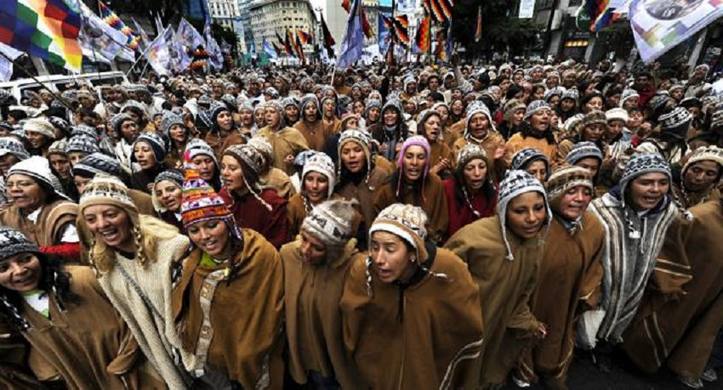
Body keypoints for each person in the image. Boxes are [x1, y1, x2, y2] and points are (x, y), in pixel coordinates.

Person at [0, 227, 164, 389]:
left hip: (140, 377)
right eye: (4, 268)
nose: (20, 270)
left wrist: (125, 360)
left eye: (25, 259)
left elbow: (140, 312)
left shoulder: (83, 279)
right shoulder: (13, 310)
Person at [340, 203, 484, 388]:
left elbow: (466, 327)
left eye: (390, 249)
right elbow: (354, 324)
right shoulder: (364, 271)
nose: (379, 259)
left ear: (413, 251)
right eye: (374, 247)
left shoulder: (448, 270)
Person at [171, 165, 284, 388]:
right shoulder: (191, 261)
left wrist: (248, 352)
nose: (205, 237)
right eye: (194, 230)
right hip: (212, 364)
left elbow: (272, 311)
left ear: (229, 222)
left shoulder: (260, 255)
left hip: (253, 359)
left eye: (212, 225)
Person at [78, 176, 191, 389]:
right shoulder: (103, 265)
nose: (102, 224)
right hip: (164, 360)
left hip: (199, 354)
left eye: (110, 214)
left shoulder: (172, 248)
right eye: (91, 219)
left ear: (128, 214)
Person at [445, 170, 550, 388]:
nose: (532, 218)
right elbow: (440, 282)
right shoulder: (473, 239)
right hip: (462, 331)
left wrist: (528, 323)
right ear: (503, 211)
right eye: (520, 210)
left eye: (538, 208)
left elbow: (522, 294)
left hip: (496, 333)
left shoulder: (535, 243)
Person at [587, 153, 682, 371]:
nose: (655, 189)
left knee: (624, 318)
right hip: (601, 285)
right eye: (646, 182)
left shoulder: (669, 213)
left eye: (662, 183)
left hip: (639, 286)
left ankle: (608, 347)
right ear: (629, 184)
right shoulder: (599, 210)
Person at [516, 166, 605, 389]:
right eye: (571, 191)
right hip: (534, 300)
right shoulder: (535, 224)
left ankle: (551, 369)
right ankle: (522, 370)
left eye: (586, 193)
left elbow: (596, 263)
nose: (580, 199)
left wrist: (587, 293)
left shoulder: (593, 226)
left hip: (568, 300)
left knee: (558, 336)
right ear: (554, 194)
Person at [621, 198, 721, 389]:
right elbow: (668, 247)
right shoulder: (701, 216)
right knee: (664, 324)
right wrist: (671, 281)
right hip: (681, 288)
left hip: (709, 290)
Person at [281, 200, 362, 388]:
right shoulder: (287, 255)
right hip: (297, 363)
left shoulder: (352, 268)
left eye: (317, 248)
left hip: (334, 369)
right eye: (304, 238)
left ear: (333, 251)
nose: (305, 250)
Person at [0, 156, 79, 260]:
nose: (15, 189)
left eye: (24, 184)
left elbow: (76, 249)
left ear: (44, 188)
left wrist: (33, 252)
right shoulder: (6, 215)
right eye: (10, 185)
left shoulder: (63, 212)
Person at [374, 136, 449, 244]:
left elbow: (440, 222)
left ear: (427, 161)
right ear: (402, 160)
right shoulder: (388, 187)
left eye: (420, 157)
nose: (414, 162)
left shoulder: (435, 184)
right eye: (409, 156)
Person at [220, 143, 289, 248]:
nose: (225, 173)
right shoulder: (222, 198)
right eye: (223, 167)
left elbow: (277, 243)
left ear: (248, 173)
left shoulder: (271, 203)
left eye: (232, 168)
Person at [334, 130, 390, 237]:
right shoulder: (336, 182)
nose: (352, 156)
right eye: (346, 152)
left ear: (366, 152)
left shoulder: (380, 177)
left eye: (357, 150)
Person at [443, 144, 497, 239]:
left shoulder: (495, 191)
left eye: (482, 167)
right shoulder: (447, 189)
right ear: (461, 172)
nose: (477, 173)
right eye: (470, 168)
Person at [287, 152, 339, 239]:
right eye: (309, 179)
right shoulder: (294, 204)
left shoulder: (339, 206)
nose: (314, 186)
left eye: (321, 180)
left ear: (330, 184)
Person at [452, 101, 508, 180]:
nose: (478, 123)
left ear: (488, 122)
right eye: (473, 120)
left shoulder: (497, 141)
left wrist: (499, 161)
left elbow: (506, 170)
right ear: (468, 124)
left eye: (482, 119)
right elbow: (457, 172)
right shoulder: (460, 144)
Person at [256, 100, 310, 175]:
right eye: (266, 112)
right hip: (267, 179)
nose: (268, 115)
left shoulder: (293, 133)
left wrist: (295, 159)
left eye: (272, 112)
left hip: (289, 178)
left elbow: (307, 154)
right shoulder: (260, 133)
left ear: (280, 114)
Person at [417, 109, 455, 178]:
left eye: (438, 124)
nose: (435, 127)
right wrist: (434, 170)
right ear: (422, 126)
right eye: (431, 123)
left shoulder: (443, 147)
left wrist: (445, 167)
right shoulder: (413, 146)